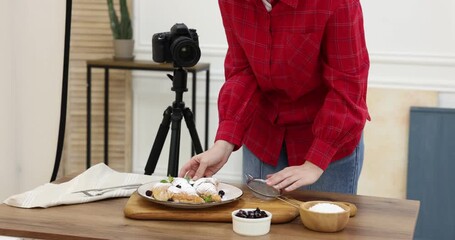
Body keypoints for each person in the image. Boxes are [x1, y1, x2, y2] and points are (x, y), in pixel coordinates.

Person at [179, 0, 370, 195]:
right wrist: (224, 143)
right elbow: (243, 70)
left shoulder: (338, 3)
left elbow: (348, 86)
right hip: (264, 136)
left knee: (321, 223)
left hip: (327, 141)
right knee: (256, 223)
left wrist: (315, 162)